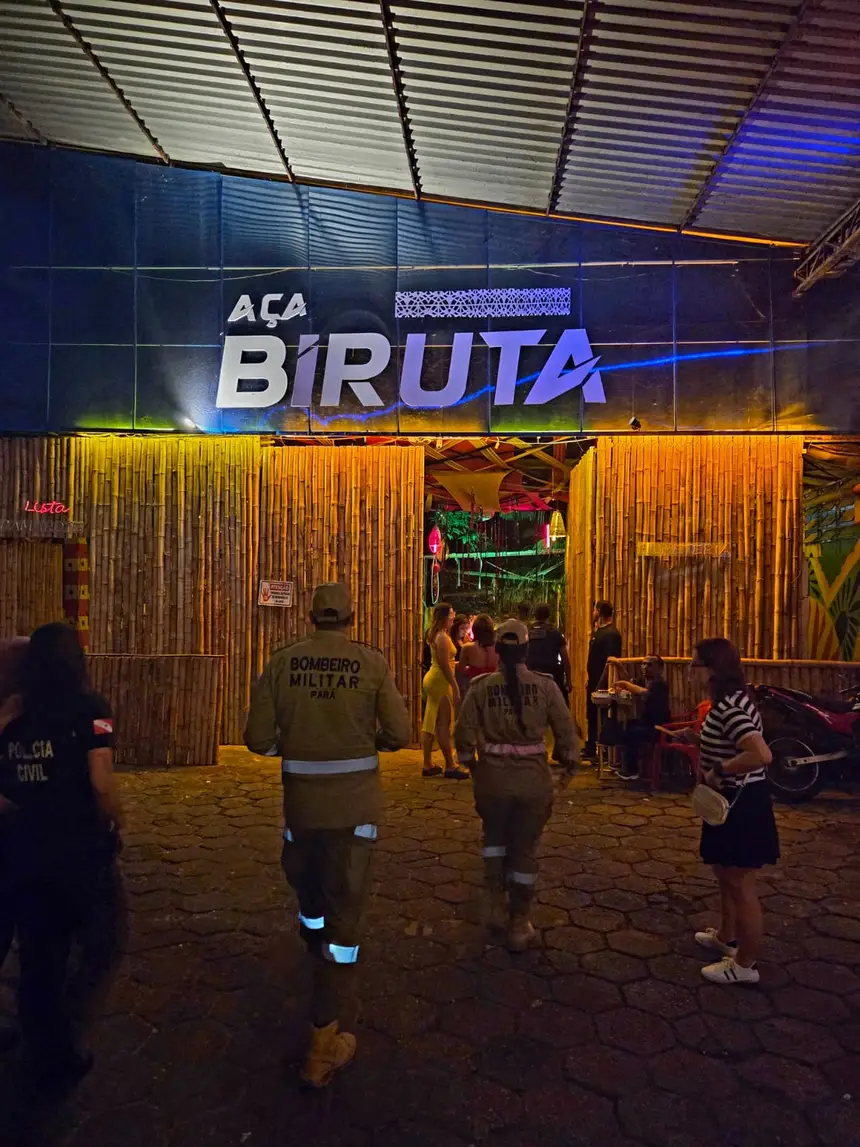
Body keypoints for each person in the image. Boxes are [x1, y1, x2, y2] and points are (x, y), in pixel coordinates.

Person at [244, 583, 411, 1088]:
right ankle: (322, 1045)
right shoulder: (371, 663)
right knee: (344, 922)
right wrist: (366, 742)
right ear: (351, 617)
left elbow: (257, 739)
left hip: (302, 810)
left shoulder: (282, 662)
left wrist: (294, 747)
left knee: (310, 894)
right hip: (354, 813)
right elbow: (400, 735)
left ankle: (311, 940)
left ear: (312, 616)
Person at [0, 623, 125, 1088]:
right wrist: (117, 819)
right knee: (105, 941)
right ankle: (65, 1037)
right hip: (79, 850)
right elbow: (100, 779)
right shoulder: (93, 709)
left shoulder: (16, 714)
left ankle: (40, 1044)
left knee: (40, 955)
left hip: (24, 851)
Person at [454, 620, 579, 952]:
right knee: (524, 850)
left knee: (493, 841)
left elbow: (463, 733)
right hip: (533, 783)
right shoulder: (546, 686)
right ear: (526, 650)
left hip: (492, 781)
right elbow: (567, 735)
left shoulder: (480, 687)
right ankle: (520, 922)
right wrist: (567, 771)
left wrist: (473, 766)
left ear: (498, 649)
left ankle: (496, 907)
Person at [682, 638, 776, 985]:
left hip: (741, 804)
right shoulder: (728, 702)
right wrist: (697, 740)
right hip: (730, 802)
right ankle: (727, 936)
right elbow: (731, 741)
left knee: (740, 882)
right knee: (724, 871)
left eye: (694, 665)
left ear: (712, 669)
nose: (690, 671)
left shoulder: (729, 707)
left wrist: (719, 769)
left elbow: (760, 754)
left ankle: (745, 964)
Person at [421, 603, 468, 779]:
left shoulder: (436, 634)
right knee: (443, 724)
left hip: (435, 679)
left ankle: (427, 764)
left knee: (429, 721)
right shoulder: (442, 637)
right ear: (444, 617)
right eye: (451, 613)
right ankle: (450, 765)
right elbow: (444, 665)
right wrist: (455, 686)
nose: (453, 616)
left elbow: (446, 662)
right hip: (440, 681)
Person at [612, 655, 671, 780]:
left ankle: (632, 771)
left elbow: (643, 692)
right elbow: (630, 682)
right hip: (648, 724)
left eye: (649, 664)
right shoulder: (646, 681)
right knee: (626, 725)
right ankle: (626, 765)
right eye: (643, 664)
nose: (645, 667)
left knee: (632, 733)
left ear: (660, 668)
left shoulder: (659, 684)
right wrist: (619, 666)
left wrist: (626, 684)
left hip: (659, 728)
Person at [585, 600, 622, 757]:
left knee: (602, 717)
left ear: (599, 611)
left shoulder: (611, 634)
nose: (593, 613)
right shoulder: (599, 632)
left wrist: (601, 682)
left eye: (594, 610)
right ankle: (591, 748)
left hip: (603, 682)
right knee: (592, 715)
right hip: (594, 679)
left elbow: (610, 661)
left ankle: (603, 751)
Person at [527, 603, 571, 704]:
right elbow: (565, 659)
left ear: (534, 615)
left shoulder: (527, 633)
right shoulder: (555, 633)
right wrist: (568, 680)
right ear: (549, 615)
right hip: (553, 679)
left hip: (532, 680)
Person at [457, 614, 498, 697]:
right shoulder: (499, 647)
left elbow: (460, 670)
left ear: (474, 629)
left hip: (475, 690)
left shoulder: (467, 648)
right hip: (493, 690)